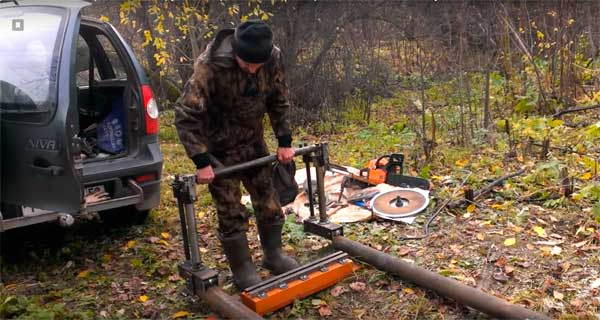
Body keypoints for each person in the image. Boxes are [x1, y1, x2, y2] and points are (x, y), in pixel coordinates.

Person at [174, 20, 299, 289]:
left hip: (253, 142)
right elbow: (186, 114)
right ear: (236, 53)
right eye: (247, 64)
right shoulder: (209, 66)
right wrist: (201, 160)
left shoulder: (272, 57)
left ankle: (274, 256)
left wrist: (284, 140)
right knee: (230, 210)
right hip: (219, 149)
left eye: (258, 65)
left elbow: (279, 98)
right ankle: (243, 269)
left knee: (269, 201)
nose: (253, 69)